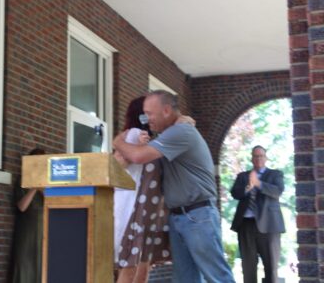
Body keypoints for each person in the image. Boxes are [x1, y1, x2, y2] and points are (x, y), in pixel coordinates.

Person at [113, 90, 235, 283]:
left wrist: (117, 141)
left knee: (216, 276)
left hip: (197, 214)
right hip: (180, 216)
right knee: (185, 278)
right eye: (144, 113)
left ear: (167, 110)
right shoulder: (171, 134)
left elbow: (137, 156)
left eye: (150, 113)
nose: (146, 119)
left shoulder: (181, 132)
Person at [114, 96, 171, 283]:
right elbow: (118, 164)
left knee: (140, 264)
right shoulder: (133, 134)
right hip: (133, 206)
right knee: (133, 264)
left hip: (143, 208)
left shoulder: (150, 139)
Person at [230, 145, 285, 283]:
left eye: (261, 156)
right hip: (246, 225)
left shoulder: (275, 175)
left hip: (269, 226)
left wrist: (258, 183)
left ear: (265, 158)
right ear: (251, 158)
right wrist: (248, 187)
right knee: (248, 266)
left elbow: (277, 191)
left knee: (271, 266)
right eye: (255, 156)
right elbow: (235, 193)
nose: (258, 158)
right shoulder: (242, 176)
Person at [10, 148, 45, 283]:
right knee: (23, 267)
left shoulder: (47, 183)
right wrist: (34, 188)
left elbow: (53, 204)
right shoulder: (22, 180)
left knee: (40, 268)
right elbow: (22, 206)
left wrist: (42, 189)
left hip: (42, 235)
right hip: (26, 234)